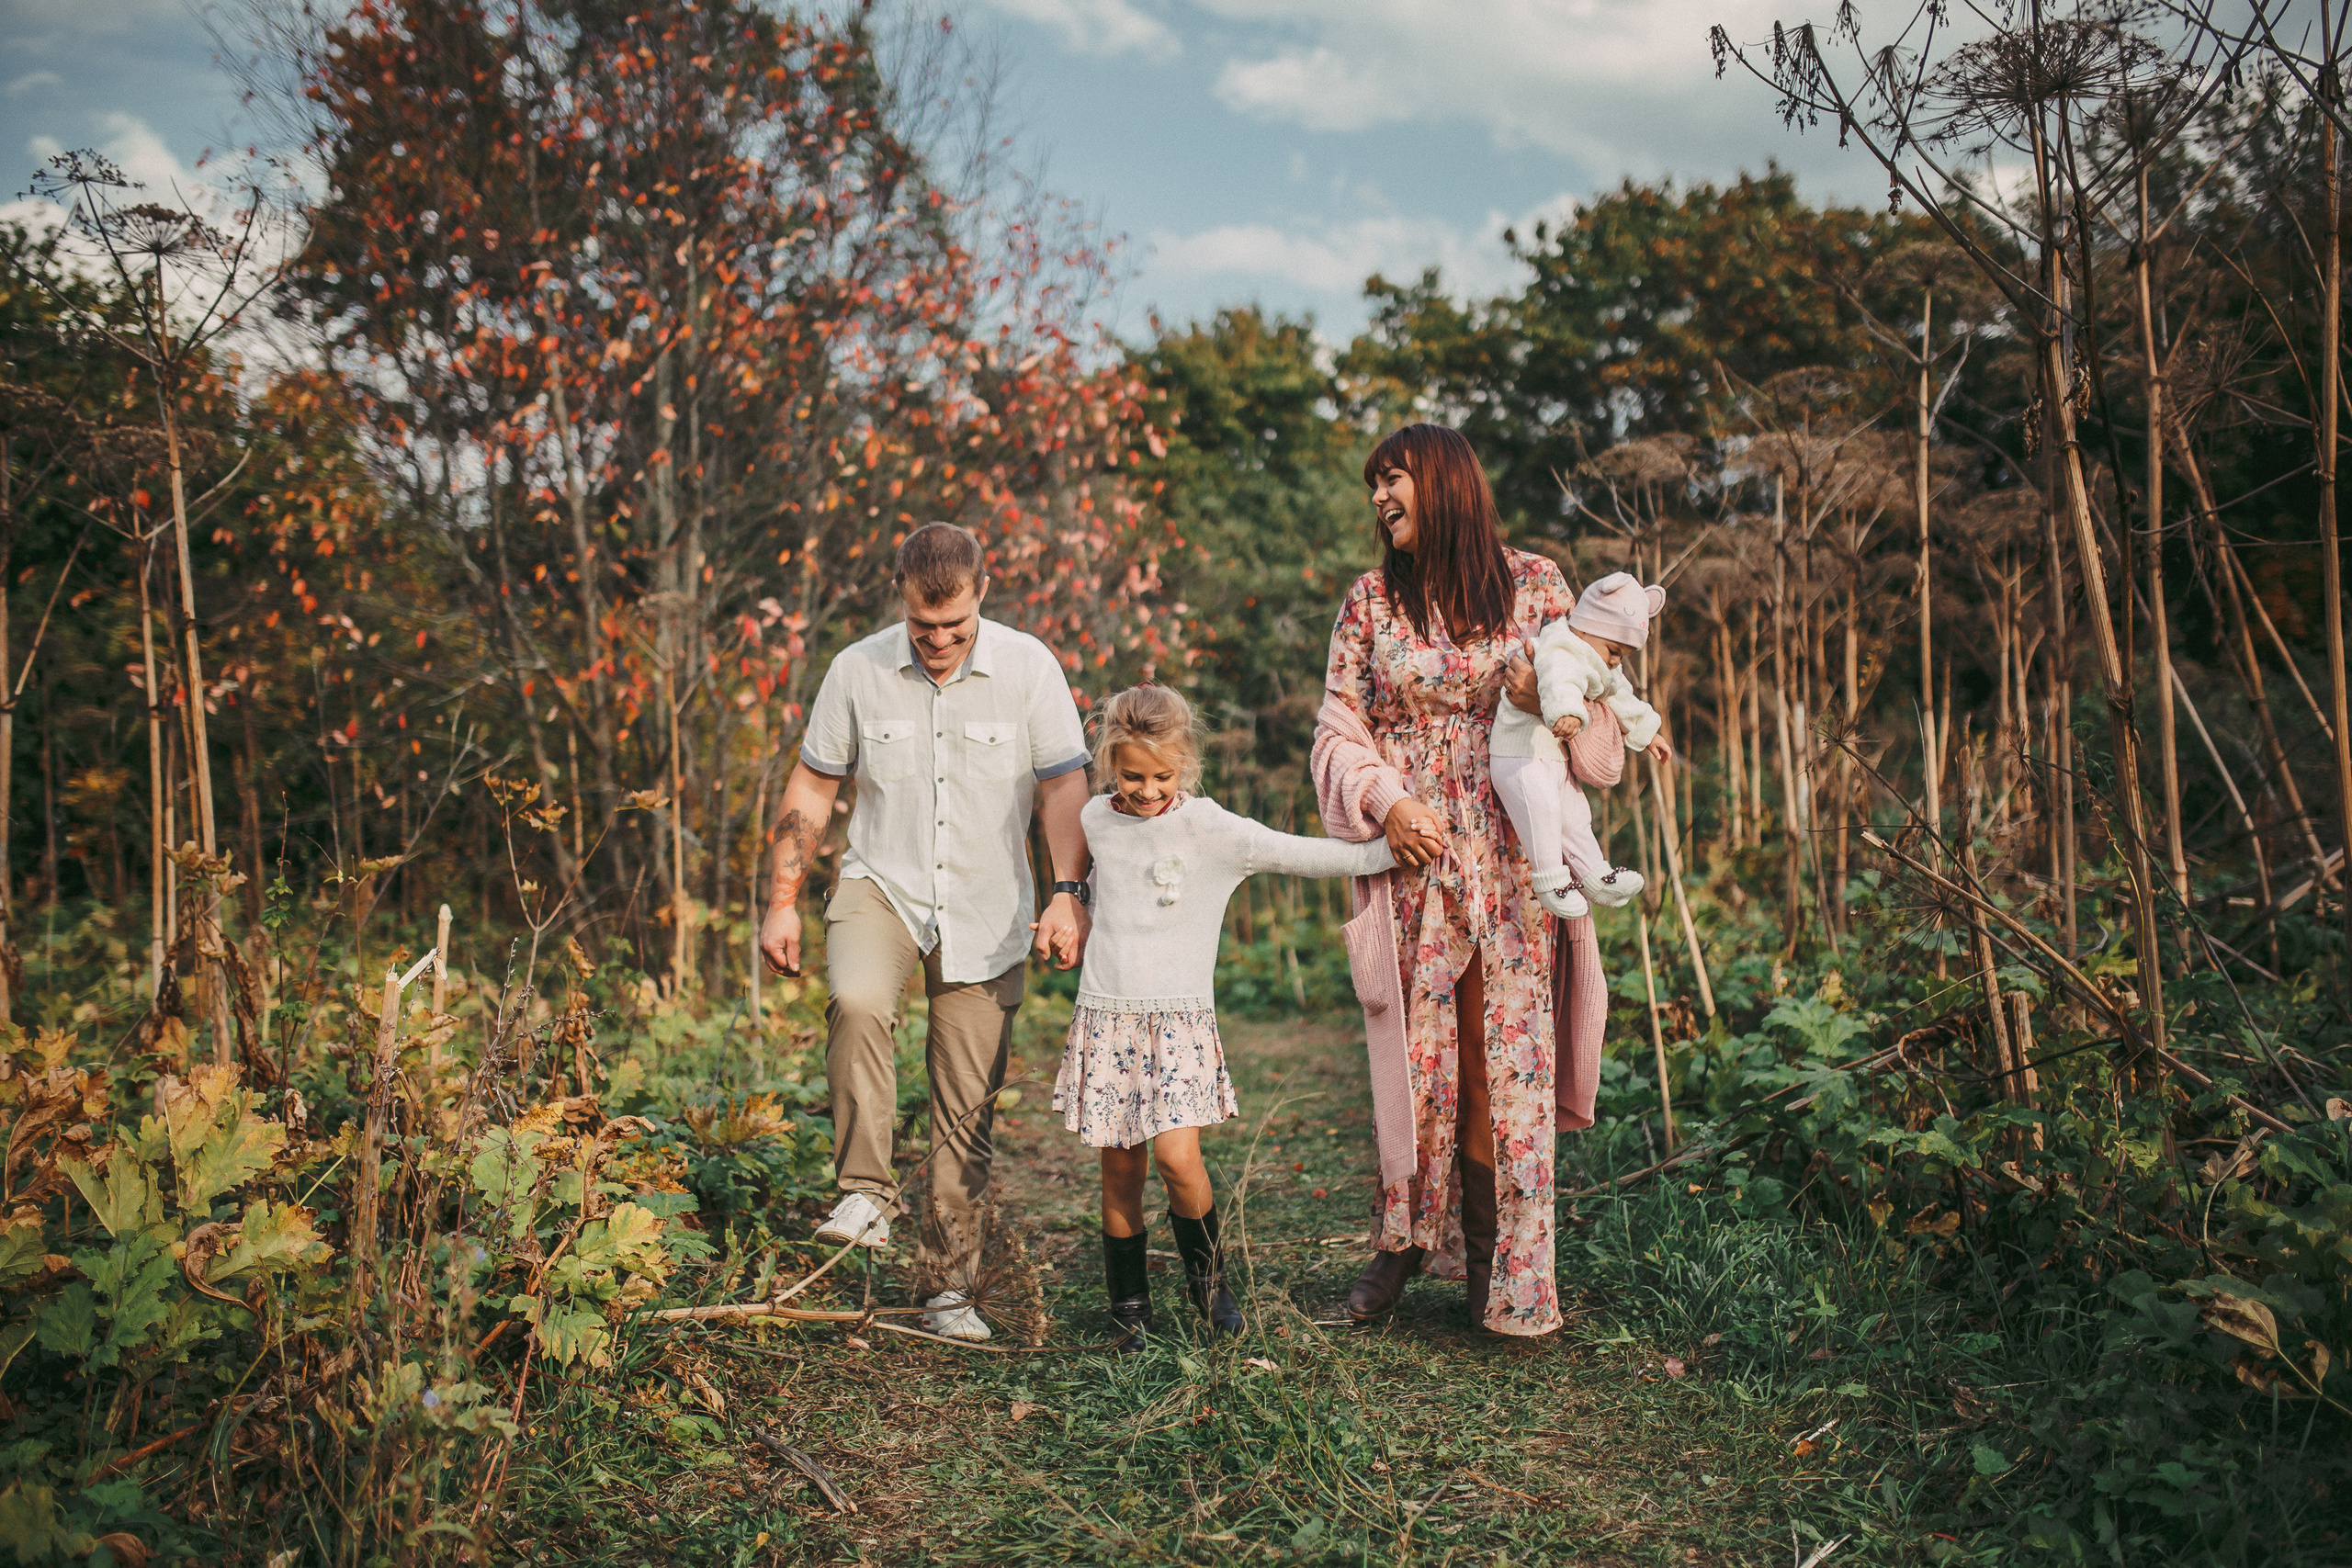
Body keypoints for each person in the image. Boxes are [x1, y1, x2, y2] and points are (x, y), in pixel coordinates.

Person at [757, 523, 1092, 1344]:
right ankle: (867, 1192)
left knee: (963, 1104)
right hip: (885, 883)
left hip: (990, 903)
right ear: (901, 596)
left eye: (955, 627)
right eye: (922, 627)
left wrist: (1067, 893)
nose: (938, 642)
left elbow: (1064, 787)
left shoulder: (1029, 667)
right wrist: (782, 898)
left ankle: (949, 1286)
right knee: (858, 997)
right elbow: (814, 783)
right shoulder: (856, 670)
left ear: (983, 590)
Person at [1310, 422, 1606, 1337]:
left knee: (1498, 1058)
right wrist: (1383, 800)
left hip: (1515, 860)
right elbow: (1335, 728)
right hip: (1417, 858)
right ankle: (1400, 1240)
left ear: (1441, 480)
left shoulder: (1537, 586)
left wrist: (1551, 708)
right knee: (1417, 1058)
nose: (1377, 499)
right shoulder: (1370, 602)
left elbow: (1599, 745)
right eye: (1372, 485)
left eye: (1390, 479)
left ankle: (1498, 1266)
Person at [1047, 686, 1394, 1348]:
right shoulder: (1094, 819)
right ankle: (1129, 1307)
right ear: (1109, 766)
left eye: (1162, 776)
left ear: (1186, 767)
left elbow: (1309, 853)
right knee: (1120, 1167)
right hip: (1108, 1018)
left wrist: (1388, 850)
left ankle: (1210, 1287)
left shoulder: (1213, 829)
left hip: (1176, 1024)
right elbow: (1079, 881)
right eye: (1132, 776)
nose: (1146, 791)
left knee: (1179, 1158)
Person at [1488, 570, 1676, 919]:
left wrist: (1649, 733)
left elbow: (1621, 695)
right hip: (1520, 755)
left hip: (1549, 756)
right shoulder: (1562, 646)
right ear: (1589, 627)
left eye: (1623, 655)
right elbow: (1560, 681)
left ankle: (1595, 874)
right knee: (1543, 811)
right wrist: (1568, 712)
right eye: (1615, 651)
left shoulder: (1596, 656)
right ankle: (1550, 881)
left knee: (1575, 815)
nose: (1616, 661)